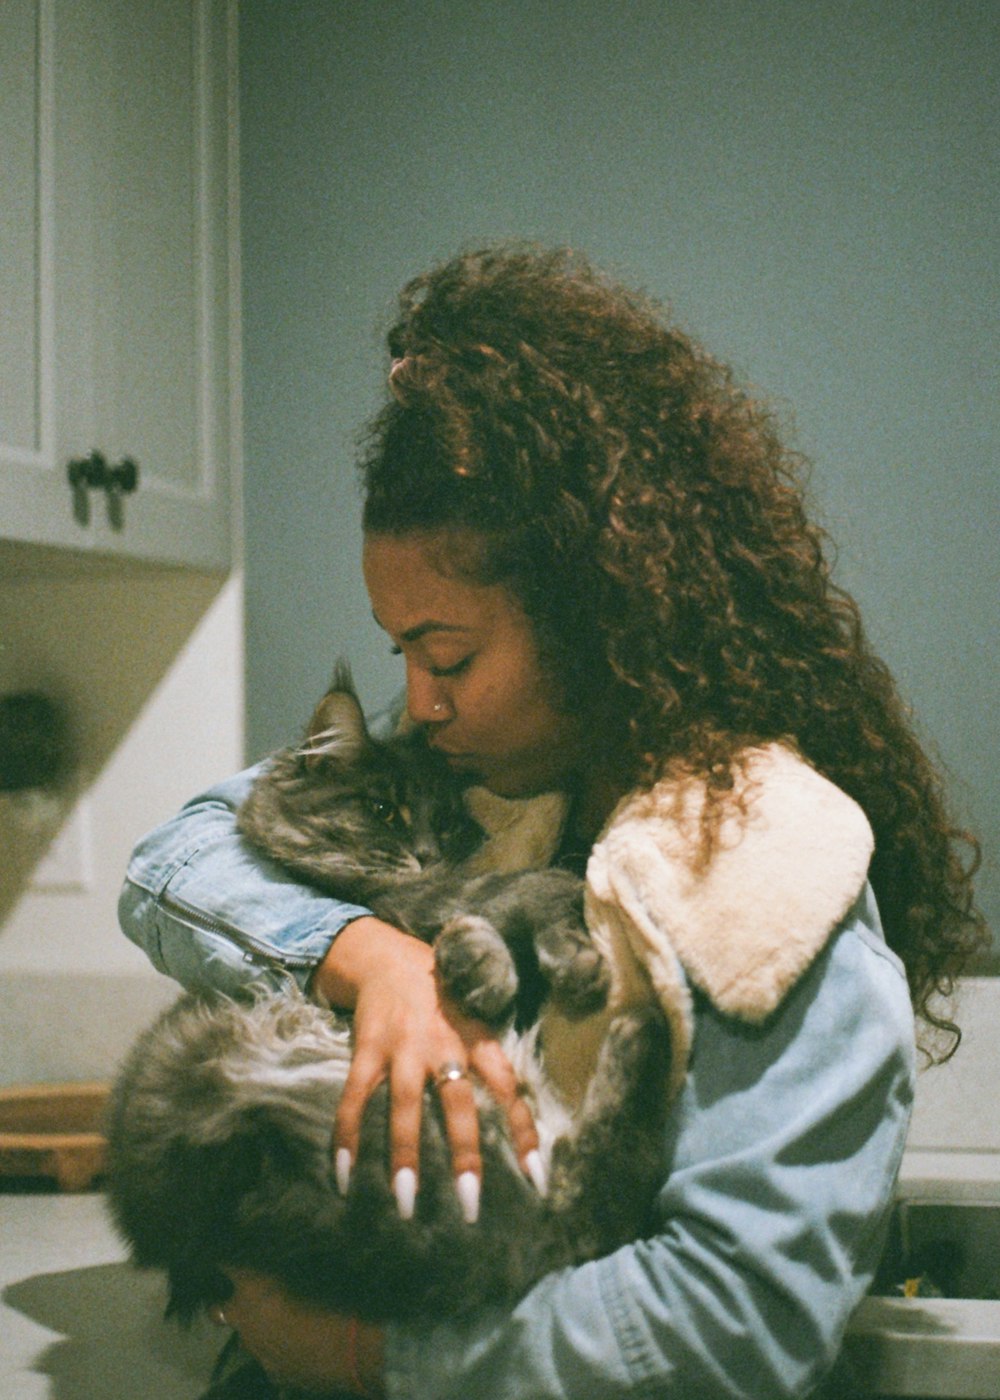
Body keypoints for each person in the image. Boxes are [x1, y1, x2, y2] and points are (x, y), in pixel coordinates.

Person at [119, 245, 985, 1399]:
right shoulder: (472, 767)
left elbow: (734, 1318)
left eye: (449, 654)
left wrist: (375, 1357)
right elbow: (173, 857)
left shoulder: (766, 872)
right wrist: (376, 959)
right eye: (403, 656)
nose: (420, 703)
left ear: (592, 615)